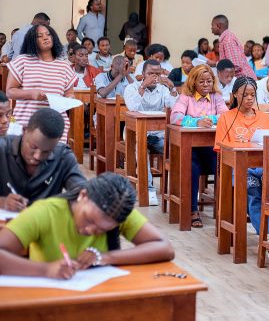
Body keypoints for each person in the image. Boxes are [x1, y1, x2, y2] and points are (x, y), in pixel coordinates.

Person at [0, 172, 174, 278]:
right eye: (89, 220)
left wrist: (106, 257)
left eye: (102, 230)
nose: (91, 231)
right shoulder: (45, 212)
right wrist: (46, 270)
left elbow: (164, 248)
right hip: (48, 302)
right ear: (83, 195)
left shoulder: (116, 209)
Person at [214, 76, 269, 254]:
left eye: (253, 94)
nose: (250, 98)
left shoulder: (264, 117)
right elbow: (220, 148)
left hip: (263, 166)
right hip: (239, 168)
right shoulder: (226, 118)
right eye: (245, 95)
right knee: (254, 193)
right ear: (235, 95)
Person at [170, 65, 227, 228]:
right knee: (192, 167)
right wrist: (197, 122)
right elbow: (175, 117)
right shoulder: (185, 97)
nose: (205, 85)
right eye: (201, 81)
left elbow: (225, 115)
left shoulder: (216, 96)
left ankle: (224, 209)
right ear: (194, 82)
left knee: (224, 164)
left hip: (211, 148)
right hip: (190, 149)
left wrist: (211, 119)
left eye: (209, 81)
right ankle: (192, 209)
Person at [0, 109, 86, 212]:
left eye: (46, 151)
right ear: (24, 131)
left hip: (44, 224)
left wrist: (48, 205)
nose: (37, 156)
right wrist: (3, 202)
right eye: (33, 147)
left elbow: (81, 190)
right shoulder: (2, 149)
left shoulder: (63, 156)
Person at [6, 24, 75, 144]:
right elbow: (10, 91)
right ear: (32, 41)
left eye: (48, 34)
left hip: (55, 125)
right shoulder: (23, 61)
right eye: (40, 36)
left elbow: (69, 93)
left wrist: (69, 100)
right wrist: (31, 94)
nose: (45, 38)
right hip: (26, 123)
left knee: (52, 160)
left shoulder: (64, 65)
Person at [123, 60, 178, 206]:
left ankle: (178, 190)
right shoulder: (131, 88)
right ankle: (149, 190)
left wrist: (172, 89)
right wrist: (143, 86)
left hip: (159, 134)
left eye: (157, 74)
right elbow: (133, 107)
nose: (154, 77)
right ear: (142, 75)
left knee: (176, 150)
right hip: (135, 133)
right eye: (150, 74)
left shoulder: (163, 89)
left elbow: (173, 109)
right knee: (141, 149)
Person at [211, 15, 256, 81]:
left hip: (244, 81)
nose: (211, 28)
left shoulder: (228, 41)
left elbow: (235, 66)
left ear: (218, 25)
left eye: (212, 25)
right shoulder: (226, 38)